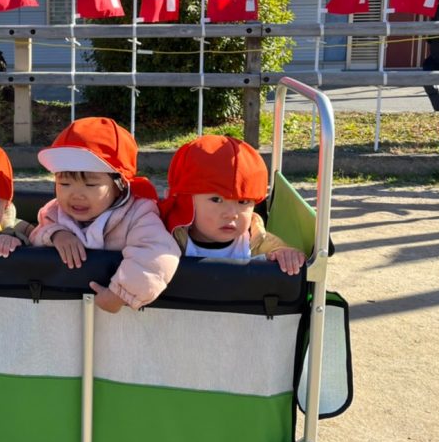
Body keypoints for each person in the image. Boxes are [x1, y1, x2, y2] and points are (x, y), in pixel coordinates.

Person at [28, 117, 180, 313]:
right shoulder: (55, 212)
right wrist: (56, 234)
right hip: (65, 313)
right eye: (64, 184)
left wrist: (121, 293)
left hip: (121, 318)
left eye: (90, 184)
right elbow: (34, 236)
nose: (76, 194)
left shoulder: (138, 215)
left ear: (119, 186)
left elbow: (158, 253)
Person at [158, 135, 305, 275]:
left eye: (243, 202)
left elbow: (282, 250)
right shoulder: (170, 238)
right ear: (186, 202)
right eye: (216, 200)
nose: (231, 213)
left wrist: (286, 255)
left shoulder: (257, 241)